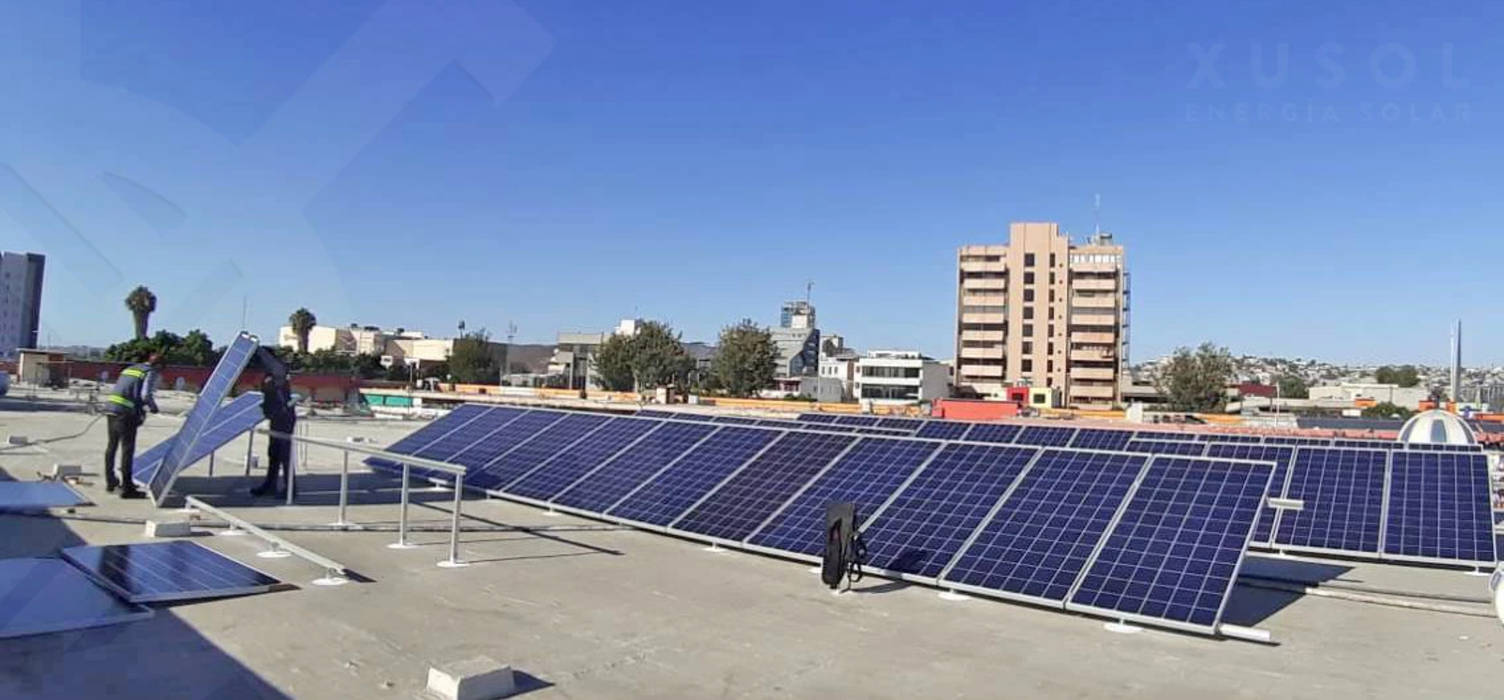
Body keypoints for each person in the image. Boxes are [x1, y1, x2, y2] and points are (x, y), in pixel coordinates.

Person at [103, 353, 162, 498]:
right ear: (159, 365)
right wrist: (153, 407)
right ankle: (127, 488)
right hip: (125, 413)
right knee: (127, 450)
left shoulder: (130, 369)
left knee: (112, 446)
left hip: (111, 409)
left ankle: (110, 482)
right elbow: (145, 395)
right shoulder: (149, 372)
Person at [251, 374, 296, 497]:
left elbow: (282, 403)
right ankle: (270, 485)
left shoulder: (277, 380)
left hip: (284, 419)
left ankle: (290, 489)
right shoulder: (271, 381)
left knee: (285, 456)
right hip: (277, 419)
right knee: (273, 453)